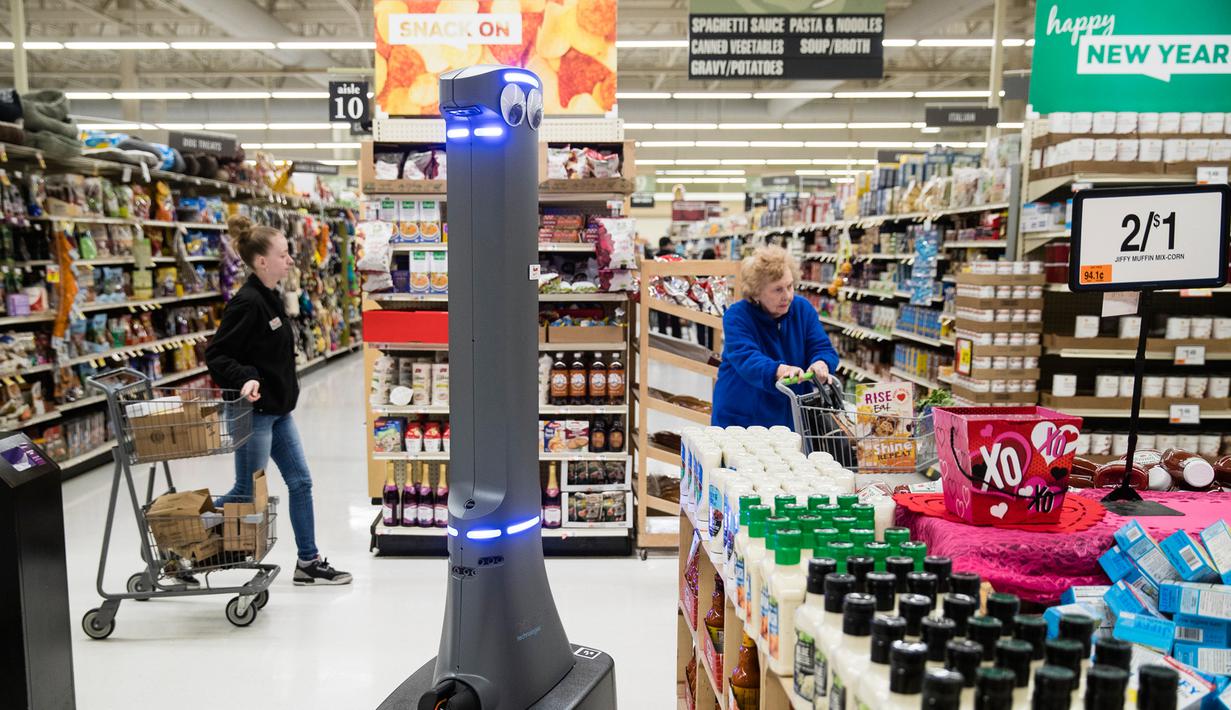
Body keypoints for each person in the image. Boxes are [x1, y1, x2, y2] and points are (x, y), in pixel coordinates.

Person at [206, 215, 352, 586]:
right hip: (253, 414)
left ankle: (308, 561)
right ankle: (182, 527)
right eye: (284, 254)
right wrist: (246, 377)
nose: (290, 260)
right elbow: (218, 355)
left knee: (300, 483)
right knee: (244, 492)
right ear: (261, 262)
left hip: (278, 412)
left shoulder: (271, 298)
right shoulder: (248, 303)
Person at [712, 245, 839, 429]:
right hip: (744, 414)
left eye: (790, 286)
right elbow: (747, 358)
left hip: (790, 415)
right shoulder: (737, 316)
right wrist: (779, 370)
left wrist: (821, 362)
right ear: (756, 292)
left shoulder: (802, 309)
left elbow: (822, 347)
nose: (787, 296)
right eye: (778, 290)